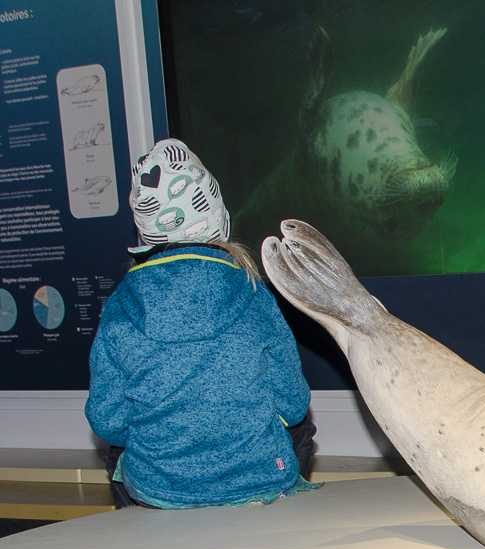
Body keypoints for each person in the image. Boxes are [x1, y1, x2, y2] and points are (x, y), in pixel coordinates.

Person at [85, 139, 319, 509]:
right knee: (300, 429)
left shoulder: (120, 305)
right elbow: (292, 403)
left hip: (158, 491)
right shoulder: (254, 293)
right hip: (257, 480)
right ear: (216, 213)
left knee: (124, 450)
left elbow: (107, 419)